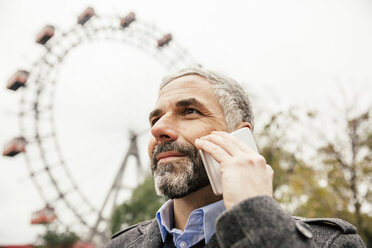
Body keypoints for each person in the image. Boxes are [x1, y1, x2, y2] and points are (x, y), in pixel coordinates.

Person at [106, 67, 365, 248]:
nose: (157, 129)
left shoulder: (333, 243)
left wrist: (256, 215)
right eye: (155, 118)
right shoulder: (120, 245)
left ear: (240, 137)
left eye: (189, 111)